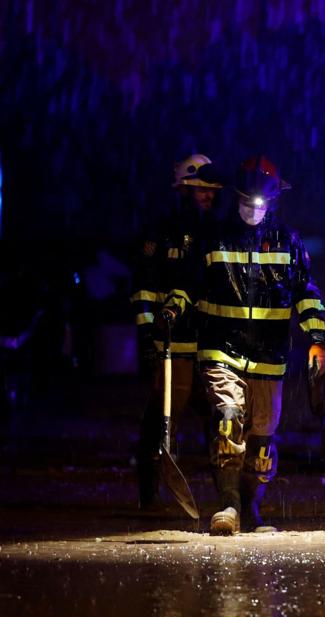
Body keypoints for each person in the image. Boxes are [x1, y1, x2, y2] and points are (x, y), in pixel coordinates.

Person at [164, 156, 325, 535]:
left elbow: (306, 293)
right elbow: (190, 283)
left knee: (261, 441)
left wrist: (317, 339)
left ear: (273, 202)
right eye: (246, 202)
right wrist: (173, 308)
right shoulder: (213, 237)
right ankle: (228, 504)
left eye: (260, 204)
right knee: (227, 420)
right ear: (235, 198)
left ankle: (251, 505)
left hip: (270, 358)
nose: (253, 210)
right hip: (221, 350)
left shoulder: (289, 241)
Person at [131, 154, 221, 508]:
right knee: (162, 417)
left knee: (218, 418)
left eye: (212, 191)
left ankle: (225, 492)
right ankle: (149, 490)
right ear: (183, 189)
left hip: (209, 345)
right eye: (201, 190)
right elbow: (143, 289)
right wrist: (147, 337)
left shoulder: (216, 231)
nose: (208, 197)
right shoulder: (159, 232)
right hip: (172, 344)